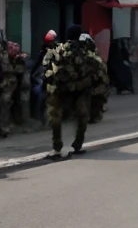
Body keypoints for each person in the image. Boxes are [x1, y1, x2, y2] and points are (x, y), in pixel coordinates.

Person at [43, 25, 101, 156]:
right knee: (83, 116)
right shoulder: (87, 51)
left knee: (55, 116)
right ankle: (77, 145)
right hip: (81, 88)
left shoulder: (59, 51)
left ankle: (57, 147)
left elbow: (48, 70)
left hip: (62, 88)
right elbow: (97, 70)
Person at [0, 42, 24, 137]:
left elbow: (20, 69)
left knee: (5, 104)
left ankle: (3, 126)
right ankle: (1, 125)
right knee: (2, 104)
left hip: (9, 85)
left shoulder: (17, 59)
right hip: (2, 83)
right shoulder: (3, 57)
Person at [30, 31, 56, 123]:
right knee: (41, 95)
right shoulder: (42, 54)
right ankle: (40, 116)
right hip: (43, 79)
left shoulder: (56, 52)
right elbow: (36, 68)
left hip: (53, 78)